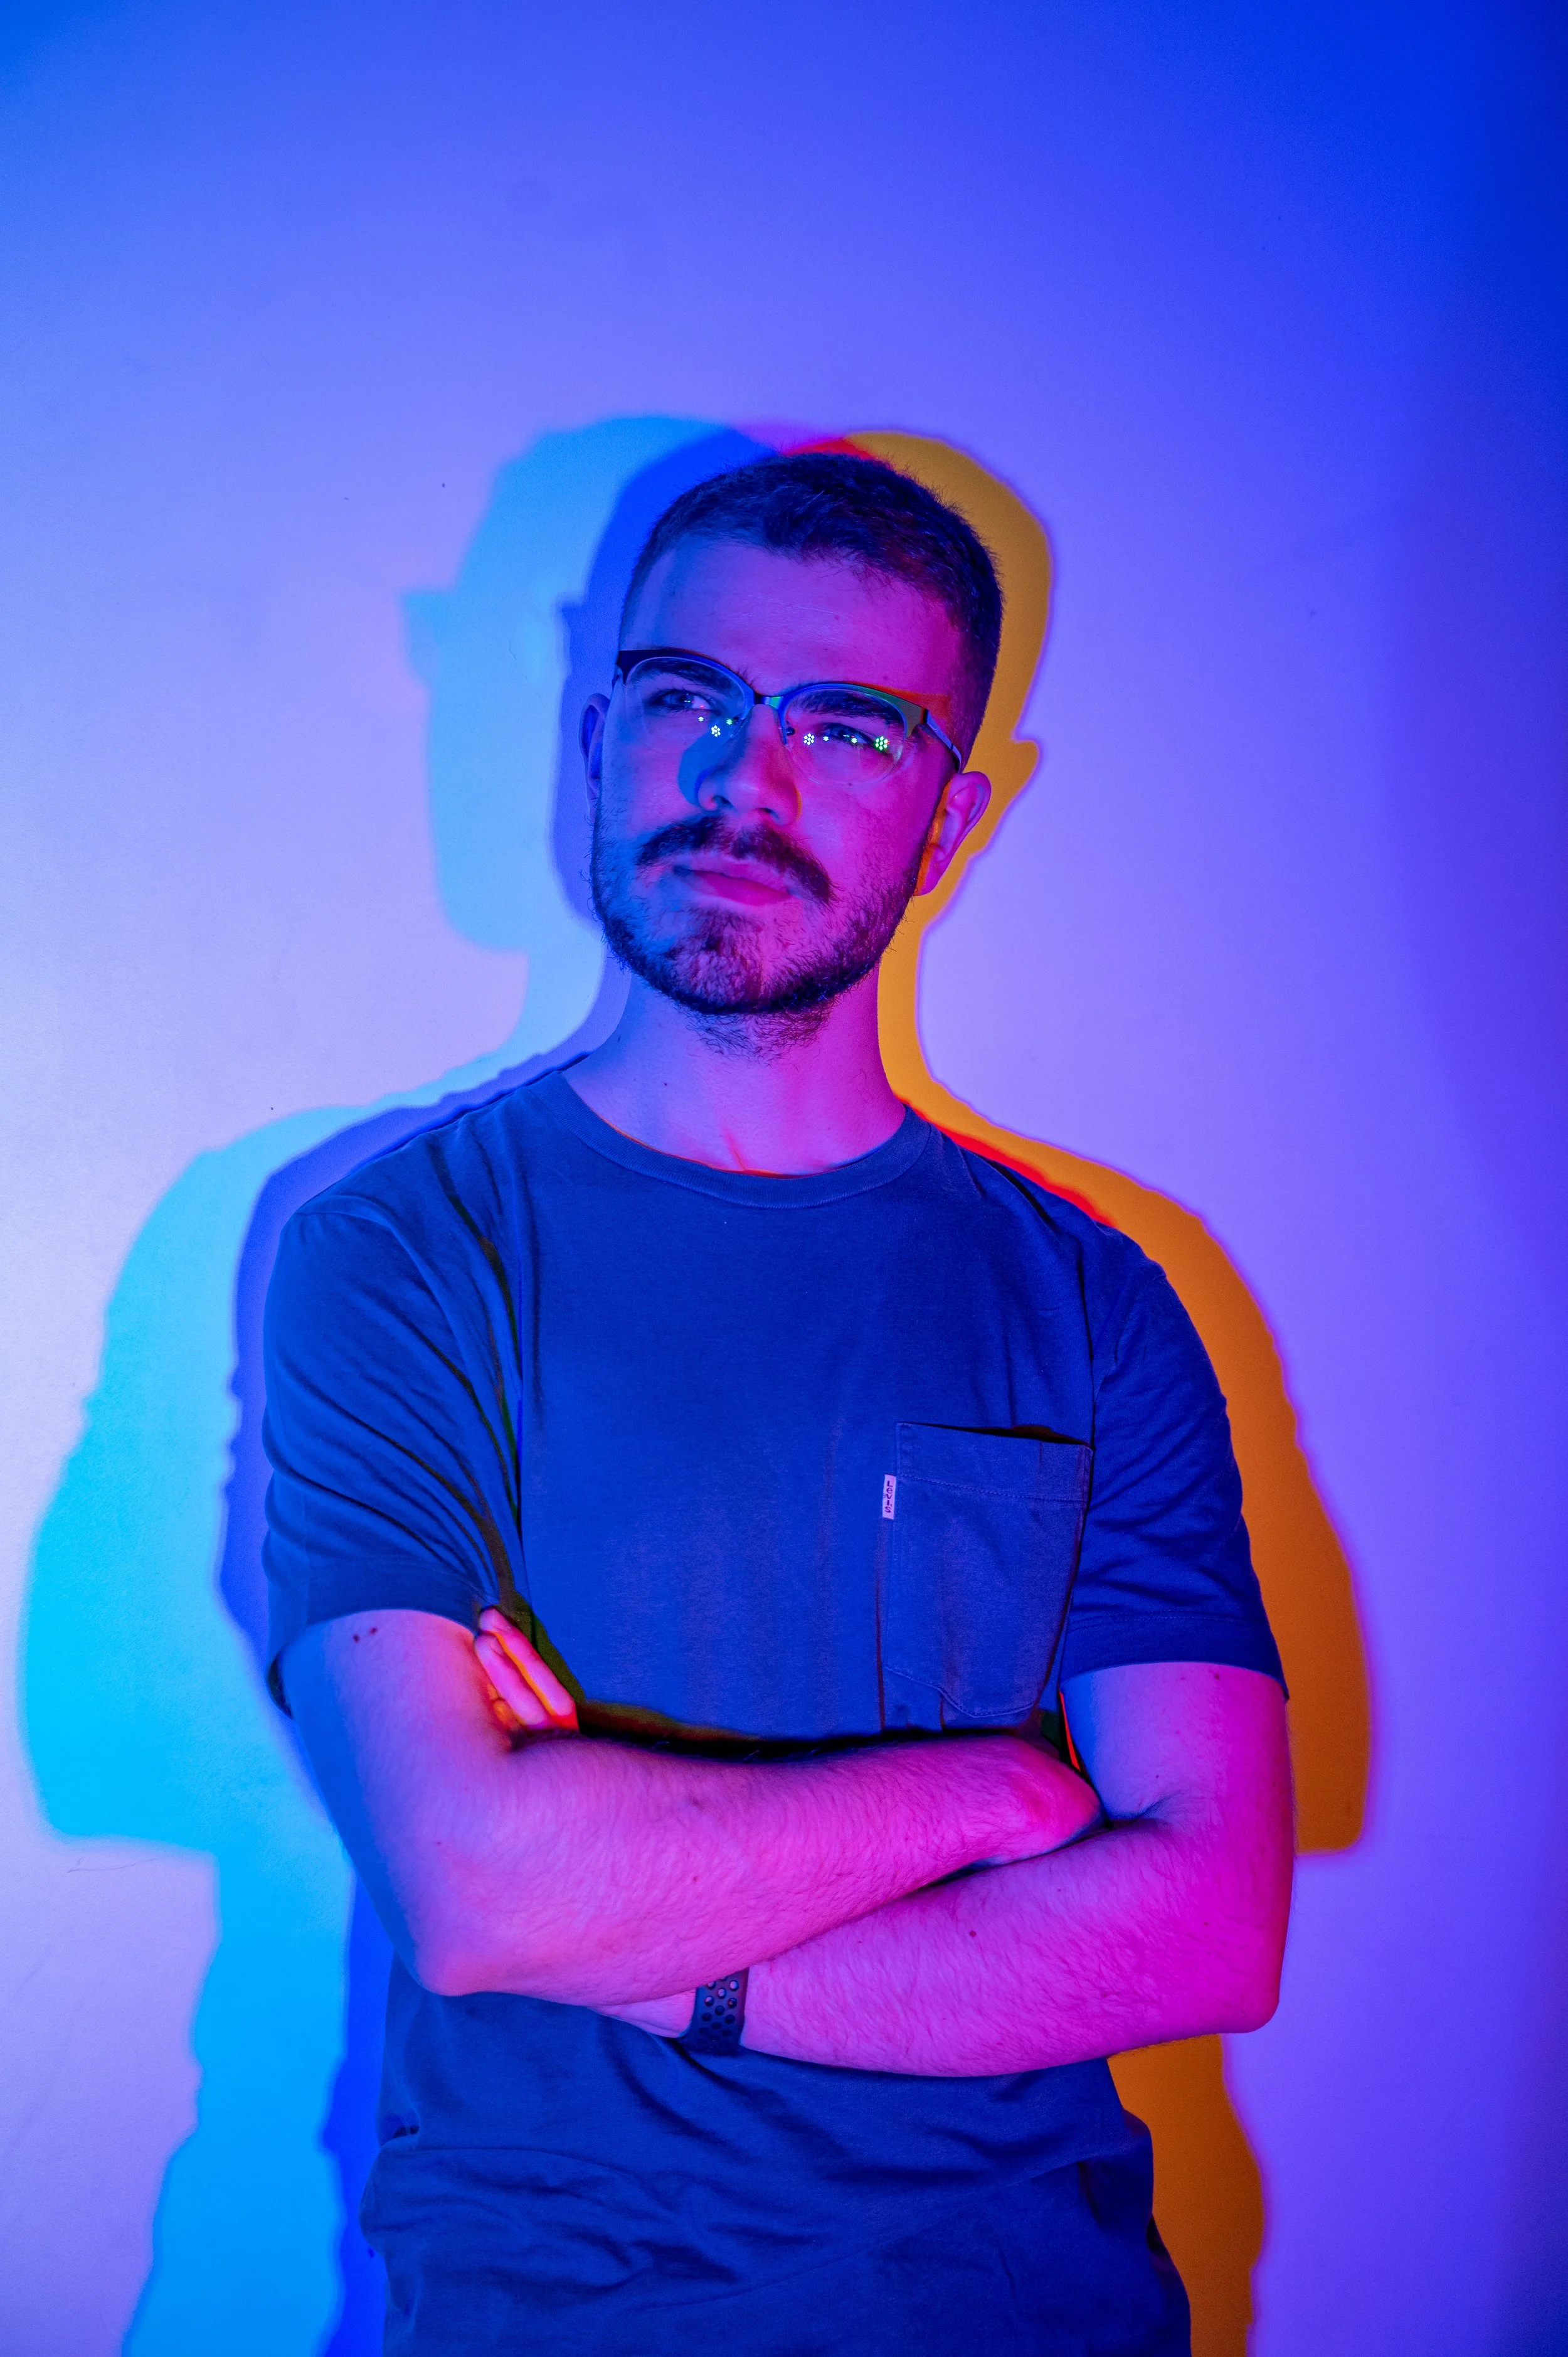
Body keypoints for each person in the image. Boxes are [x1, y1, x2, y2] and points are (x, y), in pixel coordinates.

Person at [267, 450, 1293, 2354]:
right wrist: (990, 1795)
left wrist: (664, 1954)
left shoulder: (1094, 1304)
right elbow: (474, 1886)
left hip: (1034, 2304)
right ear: (601, 735)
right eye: (691, 698)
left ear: (951, 815)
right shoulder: (403, 1251)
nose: (749, 779)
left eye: (848, 725)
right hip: (560, 2307)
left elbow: (1209, 1927)